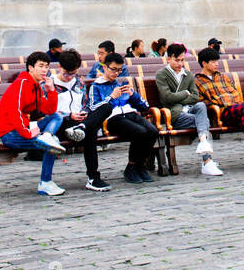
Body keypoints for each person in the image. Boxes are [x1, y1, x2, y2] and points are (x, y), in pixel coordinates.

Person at [0, 52, 68, 196]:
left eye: (46, 66)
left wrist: (51, 91)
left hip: (27, 128)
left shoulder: (36, 86)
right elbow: (15, 112)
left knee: (57, 116)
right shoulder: (21, 83)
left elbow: (49, 110)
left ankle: (47, 136)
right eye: (40, 66)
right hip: (11, 133)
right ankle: (45, 183)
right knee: (52, 144)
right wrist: (28, 133)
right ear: (30, 68)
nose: (44, 70)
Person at [88, 53, 159, 185]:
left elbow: (144, 106)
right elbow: (93, 108)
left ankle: (140, 165)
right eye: (113, 69)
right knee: (139, 132)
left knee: (152, 131)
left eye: (119, 70)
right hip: (112, 118)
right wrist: (111, 98)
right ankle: (132, 166)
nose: (116, 73)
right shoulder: (96, 86)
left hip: (130, 113)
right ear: (105, 67)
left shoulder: (121, 82)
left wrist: (132, 95)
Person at [51, 49, 114, 192]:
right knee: (91, 131)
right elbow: (48, 112)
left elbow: (86, 103)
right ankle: (93, 178)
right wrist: (69, 115)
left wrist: (84, 113)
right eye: (66, 73)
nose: (69, 77)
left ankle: (82, 127)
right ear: (59, 67)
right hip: (62, 123)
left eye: (73, 73)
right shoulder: (50, 84)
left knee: (106, 107)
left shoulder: (78, 81)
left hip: (80, 120)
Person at [155, 43, 222, 176]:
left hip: (189, 110)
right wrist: (185, 94)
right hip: (174, 114)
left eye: (182, 60)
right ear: (168, 59)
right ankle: (207, 161)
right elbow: (166, 97)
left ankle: (203, 144)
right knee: (204, 122)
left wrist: (178, 97)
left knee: (201, 106)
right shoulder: (162, 74)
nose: (180, 64)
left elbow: (195, 97)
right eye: (177, 60)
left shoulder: (188, 75)